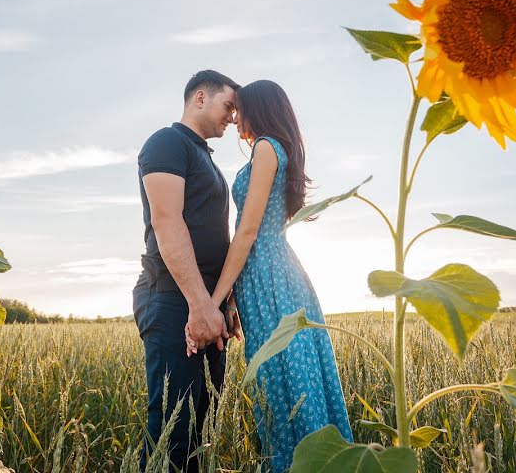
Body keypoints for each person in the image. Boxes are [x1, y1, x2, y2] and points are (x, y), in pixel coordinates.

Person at [185, 79, 353, 472]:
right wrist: (230, 299)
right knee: (289, 385)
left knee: (286, 387)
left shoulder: (265, 148)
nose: (235, 116)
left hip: (270, 278)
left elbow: (247, 231)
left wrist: (213, 300)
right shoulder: (279, 150)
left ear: (259, 109)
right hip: (271, 276)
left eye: (239, 108)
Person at [132, 70, 241, 472]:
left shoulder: (205, 159)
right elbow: (167, 222)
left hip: (206, 307)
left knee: (200, 429)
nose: (233, 117)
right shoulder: (167, 142)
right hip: (174, 301)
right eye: (228, 106)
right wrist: (199, 304)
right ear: (199, 97)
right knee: (171, 434)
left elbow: (217, 235)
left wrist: (222, 303)